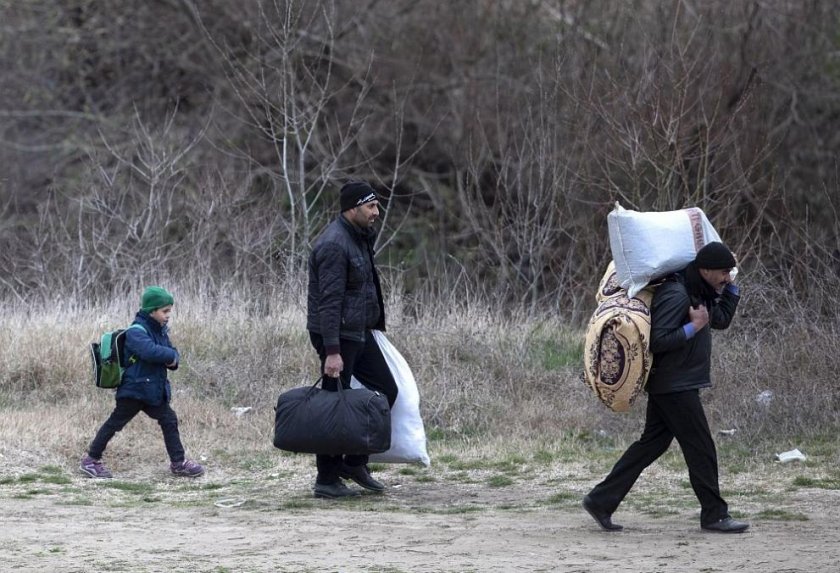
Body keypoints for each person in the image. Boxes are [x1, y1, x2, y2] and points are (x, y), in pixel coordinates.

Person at [583, 242, 749, 533]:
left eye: (729, 272)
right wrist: (692, 328)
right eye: (724, 272)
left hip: (676, 383)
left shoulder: (699, 291)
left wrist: (732, 289)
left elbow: (720, 320)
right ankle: (714, 515)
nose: (726, 277)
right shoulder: (677, 292)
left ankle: (600, 500)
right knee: (701, 448)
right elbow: (657, 340)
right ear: (706, 269)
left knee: (651, 445)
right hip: (674, 385)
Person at [306, 181, 398, 499]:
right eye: (371, 206)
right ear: (352, 208)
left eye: (376, 206)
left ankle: (354, 462)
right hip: (337, 336)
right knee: (334, 404)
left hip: (357, 331)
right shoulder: (334, 244)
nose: (376, 212)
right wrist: (332, 351)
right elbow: (328, 303)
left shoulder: (357, 237)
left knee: (387, 390)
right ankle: (327, 480)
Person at [80, 286, 204, 479]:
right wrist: (171, 356)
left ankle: (178, 463)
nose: (168, 315)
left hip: (152, 391)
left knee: (169, 419)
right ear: (151, 311)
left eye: (169, 310)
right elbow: (151, 352)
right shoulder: (136, 331)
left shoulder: (160, 331)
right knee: (115, 423)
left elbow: (171, 355)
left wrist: (172, 358)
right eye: (165, 311)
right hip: (134, 390)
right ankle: (90, 460)